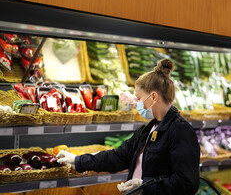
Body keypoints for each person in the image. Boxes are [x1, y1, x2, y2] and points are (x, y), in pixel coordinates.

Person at [57, 59, 200, 195]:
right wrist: (78, 161)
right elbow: (118, 156)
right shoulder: (148, 129)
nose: (137, 104)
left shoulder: (180, 131)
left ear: (154, 97)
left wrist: (145, 186)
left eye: (139, 98)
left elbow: (187, 183)